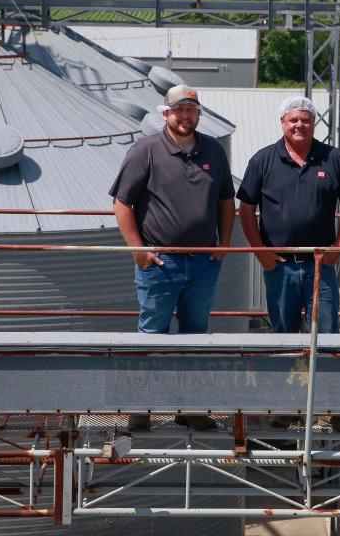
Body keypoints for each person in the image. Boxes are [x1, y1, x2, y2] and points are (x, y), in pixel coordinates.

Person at [110, 84, 235, 430]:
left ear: (198, 114)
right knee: (152, 333)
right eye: (178, 110)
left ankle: (190, 407)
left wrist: (223, 244)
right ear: (165, 114)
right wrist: (138, 249)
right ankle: (142, 408)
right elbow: (122, 203)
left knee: (196, 335)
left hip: (203, 262)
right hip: (160, 261)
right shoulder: (146, 150)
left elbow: (227, 201)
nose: (185, 116)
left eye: (191, 110)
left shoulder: (213, 150)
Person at [238, 96, 340, 432]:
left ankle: (328, 408)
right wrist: (259, 250)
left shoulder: (332, 158)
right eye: (293, 120)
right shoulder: (263, 160)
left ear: (313, 123)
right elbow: (246, 208)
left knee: (328, 336)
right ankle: (287, 406)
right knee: (284, 337)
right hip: (281, 266)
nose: (299, 126)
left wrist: (339, 247)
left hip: (321, 265)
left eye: (305, 120)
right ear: (282, 123)